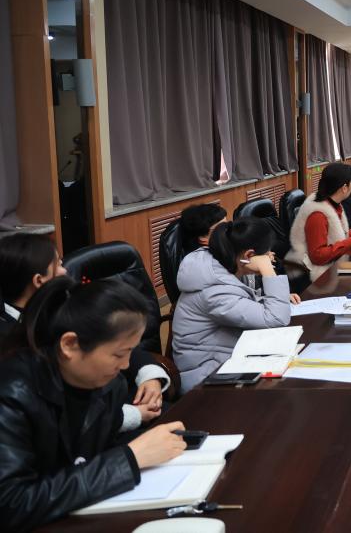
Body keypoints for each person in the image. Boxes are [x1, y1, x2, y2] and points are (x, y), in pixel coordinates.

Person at [0, 278, 188, 531]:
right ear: (69, 345)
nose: (126, 365)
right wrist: (131, 458)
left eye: (130, 352)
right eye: (119, 354)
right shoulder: (12, 393)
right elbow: (12, 504)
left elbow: (97, 454)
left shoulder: (107, 385)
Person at [0, 233, 170, 431]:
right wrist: (135, 415)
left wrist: (149, 375)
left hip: (119, 400)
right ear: (39, 280)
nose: (65, 271)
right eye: (58, 264)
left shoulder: (65, 305)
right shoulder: (10, 343)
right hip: (98, 423)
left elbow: (119, 343)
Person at [173, 218, 295, 392]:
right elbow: (276, 318)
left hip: (231, 357)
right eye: (266, 254)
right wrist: (267, 269)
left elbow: (244, 299)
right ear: (249, 256)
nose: (270, 256)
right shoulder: (214, 291)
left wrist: (276, 296)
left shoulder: (224, 261)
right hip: (208, 376)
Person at [285, 163, 351, 281]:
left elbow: (333, 231)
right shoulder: (318, 214)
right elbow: (318, 256)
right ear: (344, 188)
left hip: (332, 264)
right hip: (315, 274)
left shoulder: (332, 203)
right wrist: (350, 242)